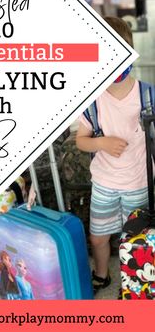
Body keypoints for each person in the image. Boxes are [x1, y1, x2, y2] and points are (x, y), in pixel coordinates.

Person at [76, 16, 149, 295]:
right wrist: (101, 143)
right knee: (98, 237)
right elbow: (82, 141)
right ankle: (102, 274)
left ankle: (132, 282)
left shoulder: (147, 95)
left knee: (135, 240)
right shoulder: (92, 100)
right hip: (104, 183)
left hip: (138, 182)